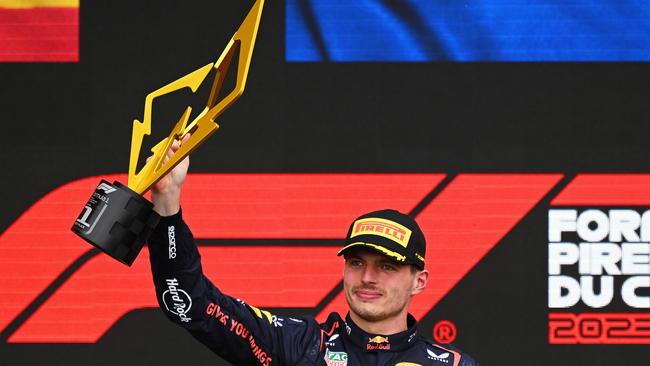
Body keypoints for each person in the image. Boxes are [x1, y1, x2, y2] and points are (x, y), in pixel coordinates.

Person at [148, 136, 478, 365]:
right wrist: (167, 200)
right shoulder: (300, 346)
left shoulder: (452, 365)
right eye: (357, 262)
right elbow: (188, 304)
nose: (367, 277)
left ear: (419, 281)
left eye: (387, 267)